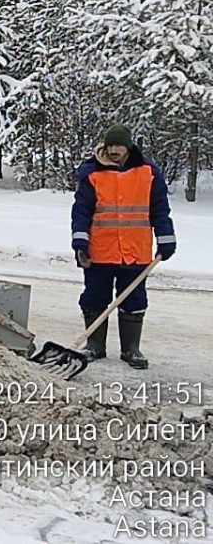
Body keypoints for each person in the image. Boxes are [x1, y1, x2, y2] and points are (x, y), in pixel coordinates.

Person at [70, 123, 175, 369]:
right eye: (110, 146)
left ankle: (131, 349)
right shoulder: (91, 174)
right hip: (100, 250)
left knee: (134, 299)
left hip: (135, 250)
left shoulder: (148, 173)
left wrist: (166, 238)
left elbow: (160, 209)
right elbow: (81, 211)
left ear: (128, 147)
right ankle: (95, 345)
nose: (114, 150)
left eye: (119, 145)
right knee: (95, 296)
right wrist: (80, 241)